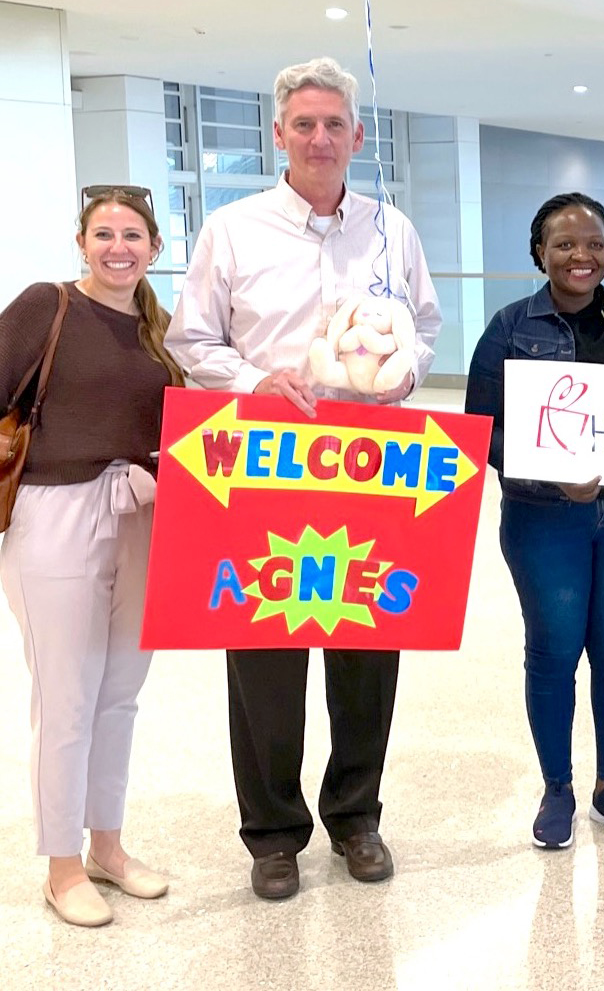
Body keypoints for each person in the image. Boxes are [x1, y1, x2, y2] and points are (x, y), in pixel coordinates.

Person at [165, 58, 442, 900]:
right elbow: (190, 340)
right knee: (265, 654)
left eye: (334, 125)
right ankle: (273, 832)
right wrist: (256, 382)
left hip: (367, 464)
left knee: (367, 641)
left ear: (357, 138)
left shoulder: (393, 230)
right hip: (262, 461)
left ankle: (356, 815)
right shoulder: (233, 228)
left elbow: (424, 328)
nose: (319, 138)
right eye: (304, 124)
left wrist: (402, 371)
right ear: (277, 134)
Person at [0, 185, 183, 927]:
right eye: (104, 233)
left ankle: (107, 843)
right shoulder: (47, 306)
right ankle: (62, 864)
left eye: (133, 235)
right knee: (67, 696)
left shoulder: (157, 328)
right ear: (82, 242)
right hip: (56, 513)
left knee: (119, 693)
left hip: (143, 512)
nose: (118, 247)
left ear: (155, 248)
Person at [465, 192, 604, 850]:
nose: (582, 255)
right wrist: (546, 473)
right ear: (539, 252)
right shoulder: (508, 328)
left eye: (595, 243)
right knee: (553, 652)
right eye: (565, 244)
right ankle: (558, 786)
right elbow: (479, 434)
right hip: (543, 517)